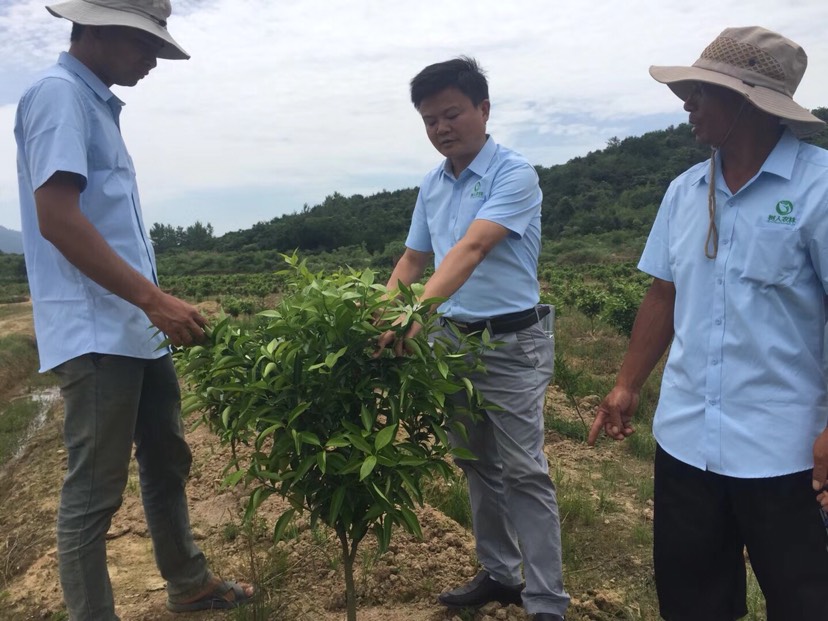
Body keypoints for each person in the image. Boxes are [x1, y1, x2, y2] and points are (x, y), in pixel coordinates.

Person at [14, 1, 254, 618]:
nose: (153, 59)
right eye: (145, 44)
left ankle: (189, 581)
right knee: (94, 494)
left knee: (167, 456)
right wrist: (155, 299)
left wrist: (152, 308)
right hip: (97, 333)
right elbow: (58, 221)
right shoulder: (58, 96)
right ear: (95, 27)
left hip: (132, 328)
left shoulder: (94, 105)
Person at [588, 26, 828, 621]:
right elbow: (664, 292)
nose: (687, 103)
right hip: (687, 440)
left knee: (806, 601)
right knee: (692, 600)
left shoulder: (818, 189)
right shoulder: (685, 191)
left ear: (749, 100)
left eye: (701, 91)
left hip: (789, 453)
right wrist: (627, 383)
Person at [375, 56, 568, 621]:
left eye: (451, 114)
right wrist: (385, 314)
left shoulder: (514, 174)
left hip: (511, 344)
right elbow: (414, 257)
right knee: (476, 463)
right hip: (452, 344)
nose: (440, 128)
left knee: (524, 471)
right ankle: (501, 573)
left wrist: (418, 310)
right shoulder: (432, 184)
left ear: (483, 110)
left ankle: (547, 601)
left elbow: (473, 247)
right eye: (429, 120)